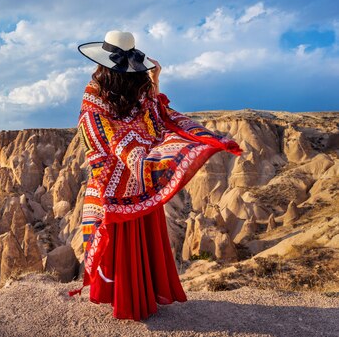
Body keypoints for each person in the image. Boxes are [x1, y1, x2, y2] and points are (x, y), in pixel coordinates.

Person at [68, 30, 243, 320]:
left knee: (117, 241)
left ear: (103, 65)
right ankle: (140, 297)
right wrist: (145, 163)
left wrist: (131, 160)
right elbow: (161, 119)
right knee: (139, 242)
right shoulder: (141, 93)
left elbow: (101, 138)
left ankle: (123, 299)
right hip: (142, 183)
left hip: (113, 183)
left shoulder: (95, 98)